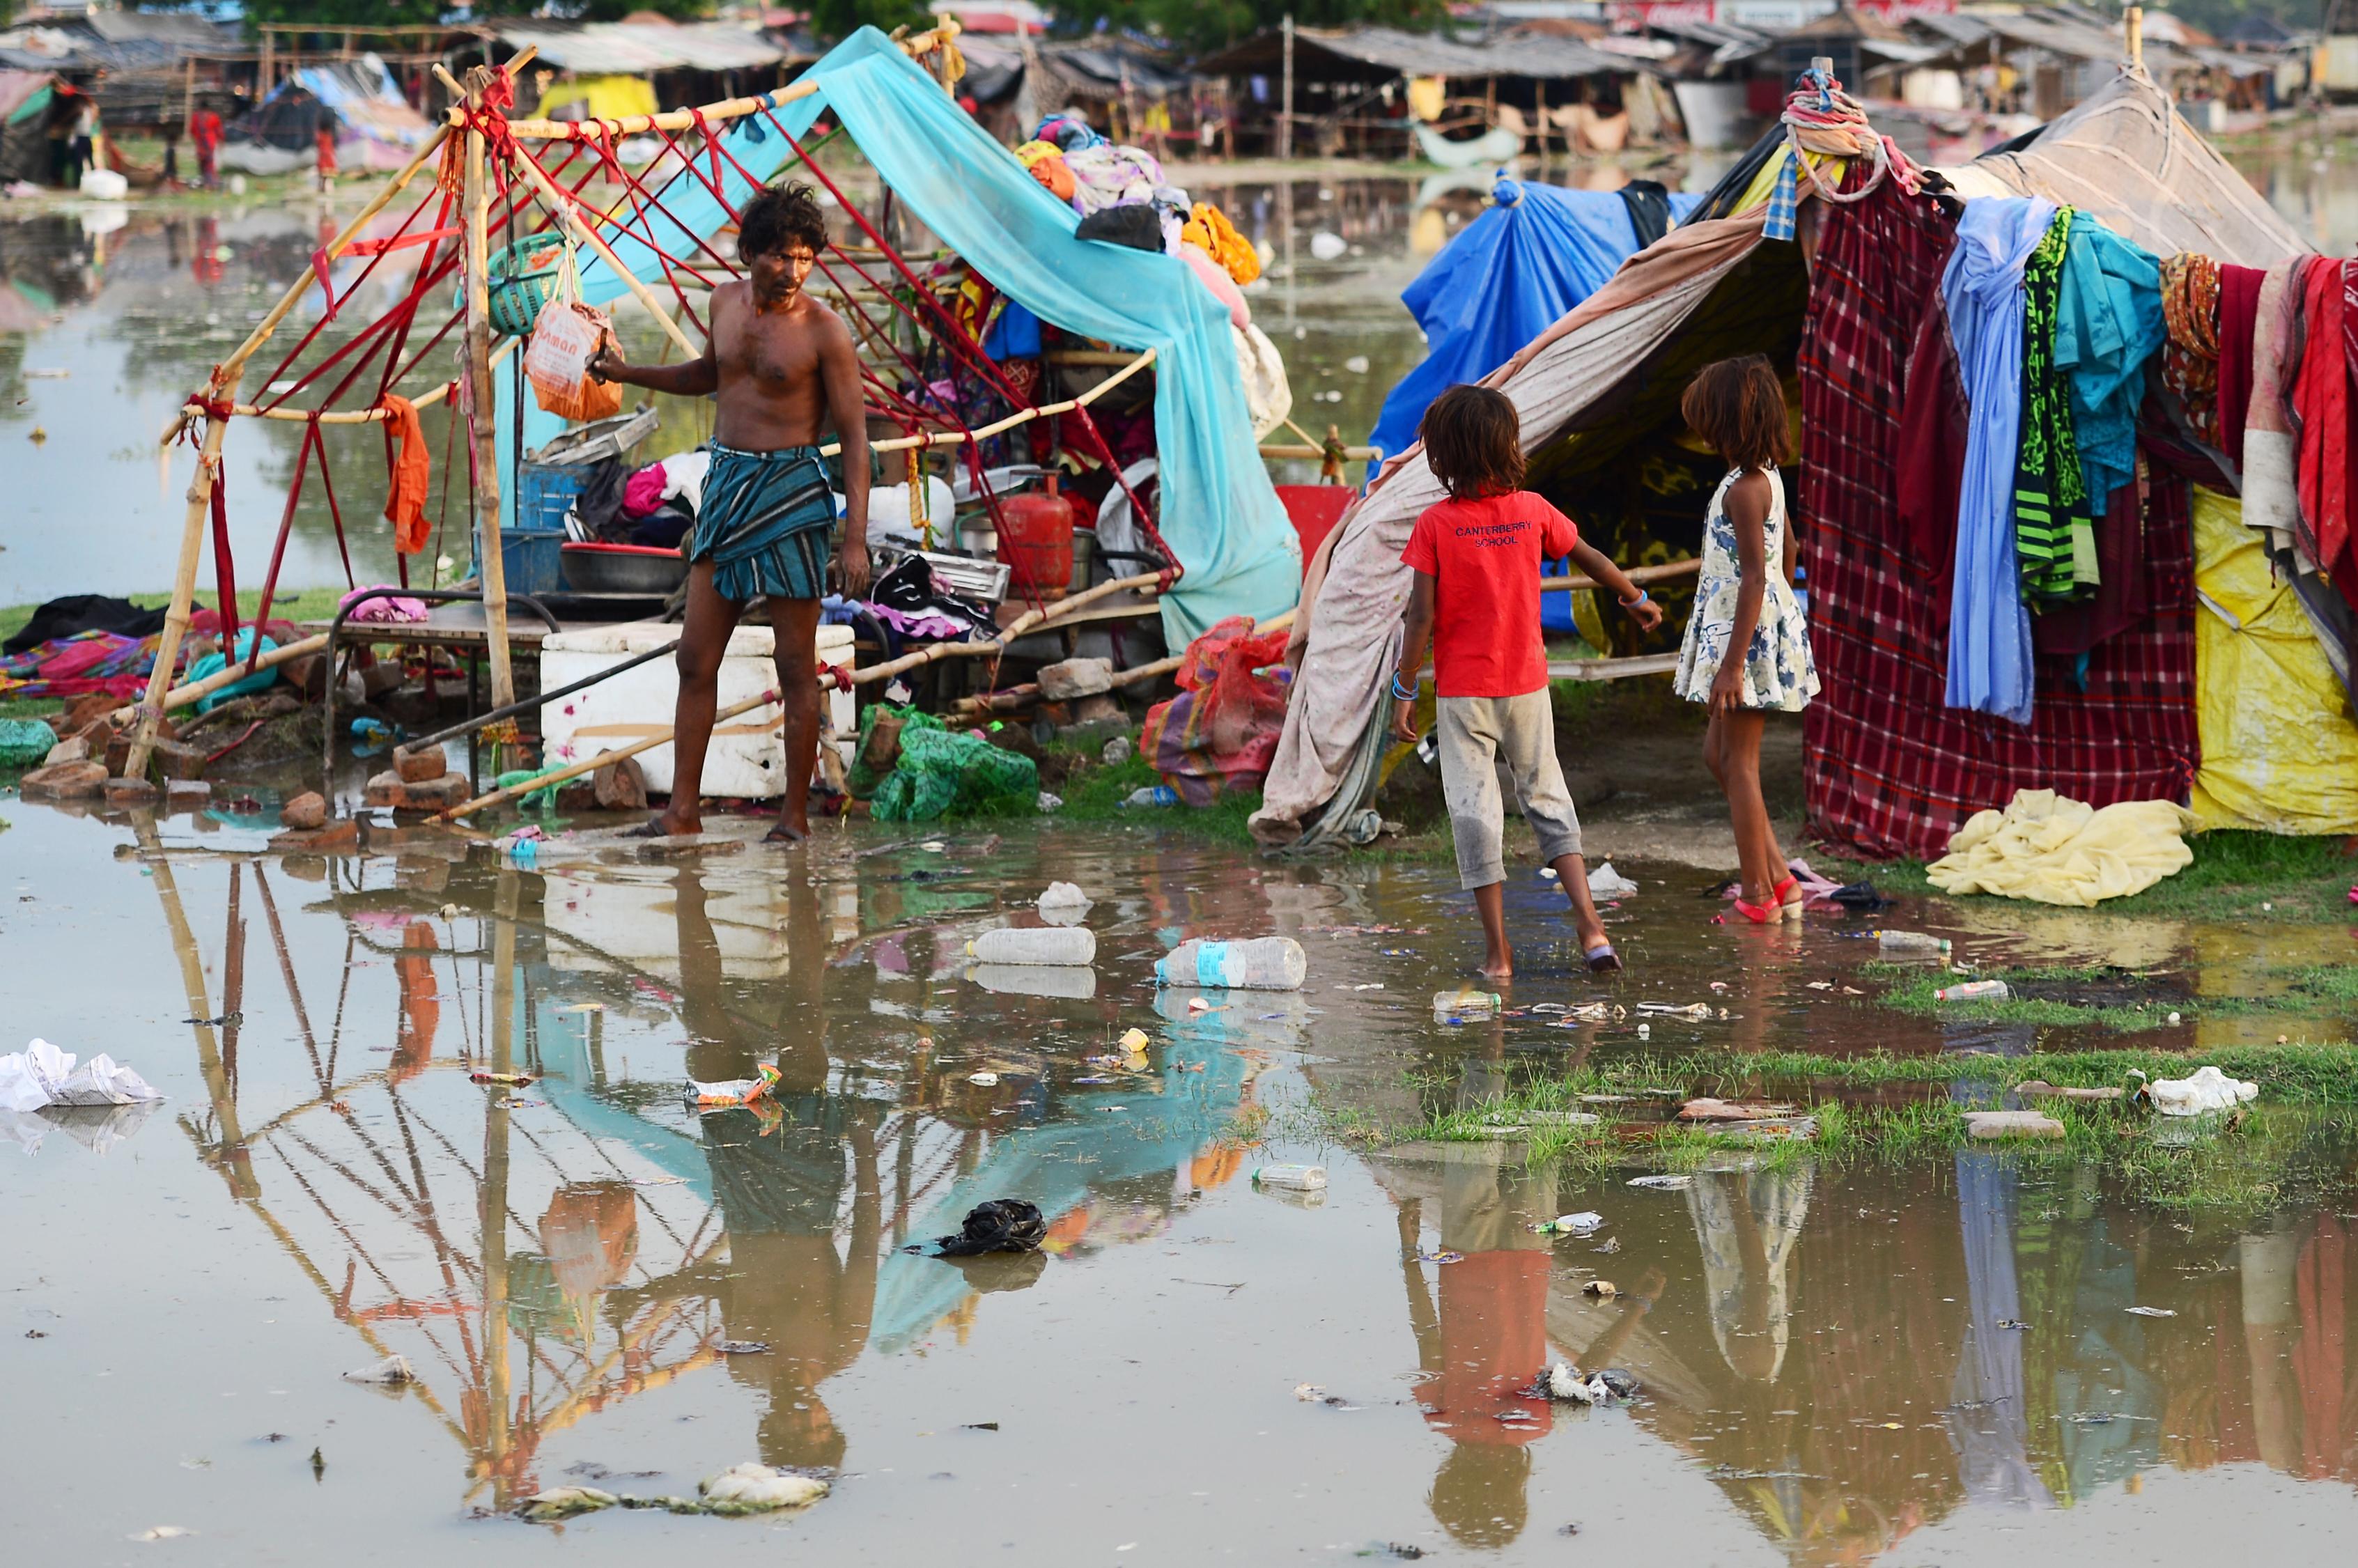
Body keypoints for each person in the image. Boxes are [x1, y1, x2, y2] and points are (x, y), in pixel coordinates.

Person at [590, 182, 870, 844]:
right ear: (748, 253)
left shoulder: (825, 331)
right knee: (694, 656)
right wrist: (628, 376)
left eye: (805, 258)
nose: (792, 271)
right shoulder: (722, 302)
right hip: (726, 483)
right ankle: (681, 813)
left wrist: (853, 539)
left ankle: (794, 819)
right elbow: (708, 375)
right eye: (779, 256)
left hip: (792, 493)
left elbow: (856, 438)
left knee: (795, 665)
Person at [1388, 383, 1661, 979]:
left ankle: (1498, 953)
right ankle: (1591, 927)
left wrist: (1404, 690)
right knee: (1546, 796)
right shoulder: (1532, 510)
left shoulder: (1436, 525)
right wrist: (1631, 596)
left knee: (1474, 812)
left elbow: (1419, 617)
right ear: (1507, 447)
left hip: (1464, 695)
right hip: (1527, 687)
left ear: (1444, 458)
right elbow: (1587, 554)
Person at [1670, 355, 1820, 923]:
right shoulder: (1766, 479)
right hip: (1753, 630)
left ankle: (1757, 895)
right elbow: (1790, 553)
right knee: (1718, 754)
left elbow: (1757, 575)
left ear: (1722, 424)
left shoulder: (1742, 489)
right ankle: (1781, 877)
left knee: (1739, 763)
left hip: (1743, 641)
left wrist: (1733, 665)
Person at [189, 101, 223, 189]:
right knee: (210, 165)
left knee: (202, 164)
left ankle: (204, 182)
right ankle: (211, 184)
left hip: (200, 145)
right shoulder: (213, 116)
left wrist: (196, 139)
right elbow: (219, 131)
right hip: (210, 144)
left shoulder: (195, 117)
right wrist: (221, 141)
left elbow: (192, 130)